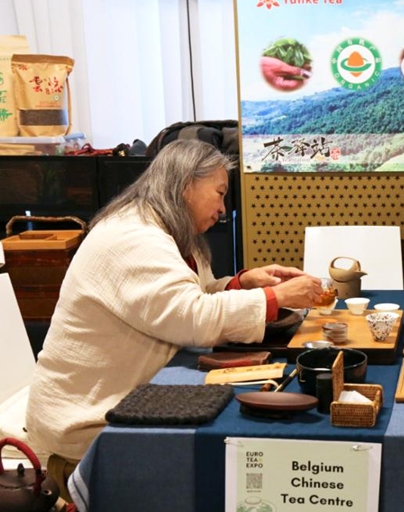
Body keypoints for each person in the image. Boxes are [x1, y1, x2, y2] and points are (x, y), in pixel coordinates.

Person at [25, 140, 323, 499]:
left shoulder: (168, 230)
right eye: (219, 193)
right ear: (185, 185)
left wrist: (241, 282)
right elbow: (189, 317)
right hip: (89, 426)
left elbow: (188, 296)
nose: (222, 208)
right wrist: (276, 298)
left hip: (130, 399)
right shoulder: (132, 238)